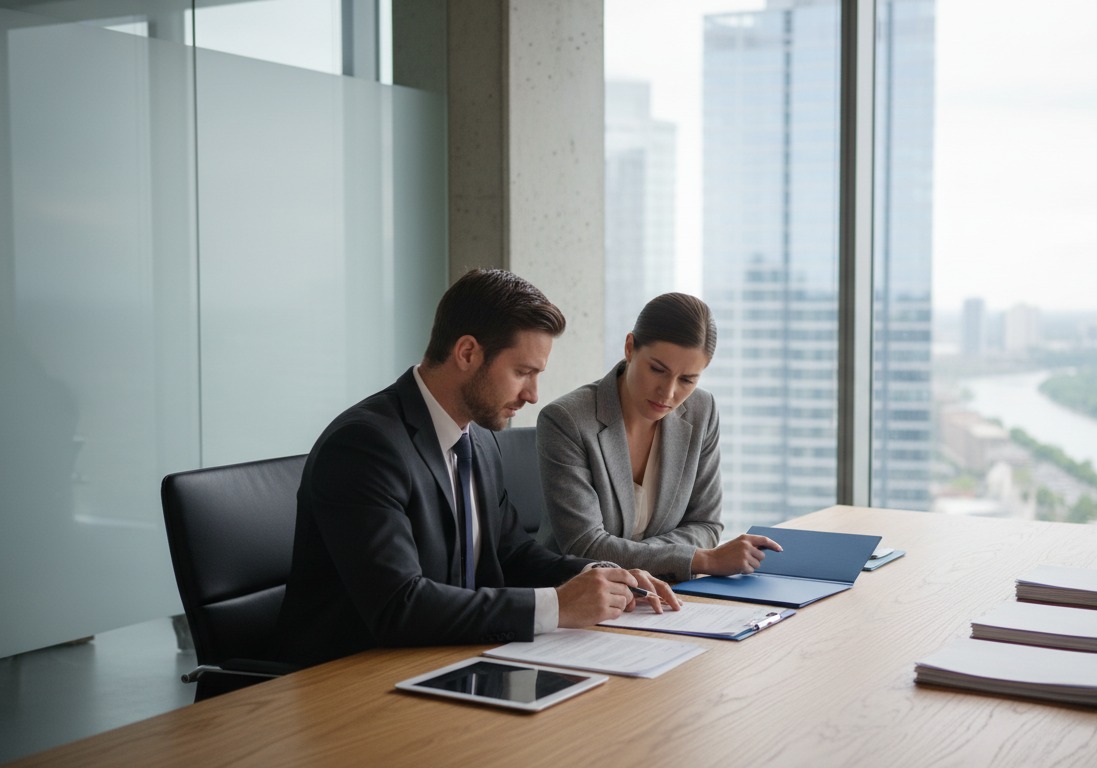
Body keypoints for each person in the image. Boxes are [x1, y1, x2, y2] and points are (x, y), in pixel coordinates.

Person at [273, 269, 678, 668]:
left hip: (450, 659)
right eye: (522, 372)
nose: (533, 395)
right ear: (467, 353)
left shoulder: (477, 439)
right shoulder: (364, 446)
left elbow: (510, 553)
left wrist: (603, 574)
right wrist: (556, 606)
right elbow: (399, 605)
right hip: (353, 679)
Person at [537, 292, 780, 582]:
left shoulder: (701, 411)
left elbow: (706, 524)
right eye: (657, 370)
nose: (668, 393)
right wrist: (699, 558)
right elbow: (585, 546)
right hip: (580, 596)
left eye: (687, 379)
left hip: (667, 593)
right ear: (630, 348)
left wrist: (634, 554)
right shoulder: (567, 420)